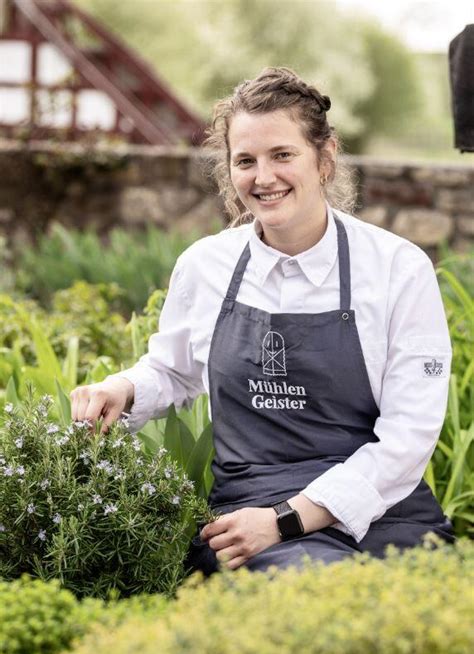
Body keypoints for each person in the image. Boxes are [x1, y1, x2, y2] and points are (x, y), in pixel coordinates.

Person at [71, 67, 454, 575]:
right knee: (321, 608)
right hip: (252, 513)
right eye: (245, 160)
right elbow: (172, 370)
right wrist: (121, 389)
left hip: (385, 511)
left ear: (326, 157)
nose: (263, 177)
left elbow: (408, 438)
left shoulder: (396, 269)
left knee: (432, 612)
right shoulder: (206, 266)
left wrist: (288, 520)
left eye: (282, 155)